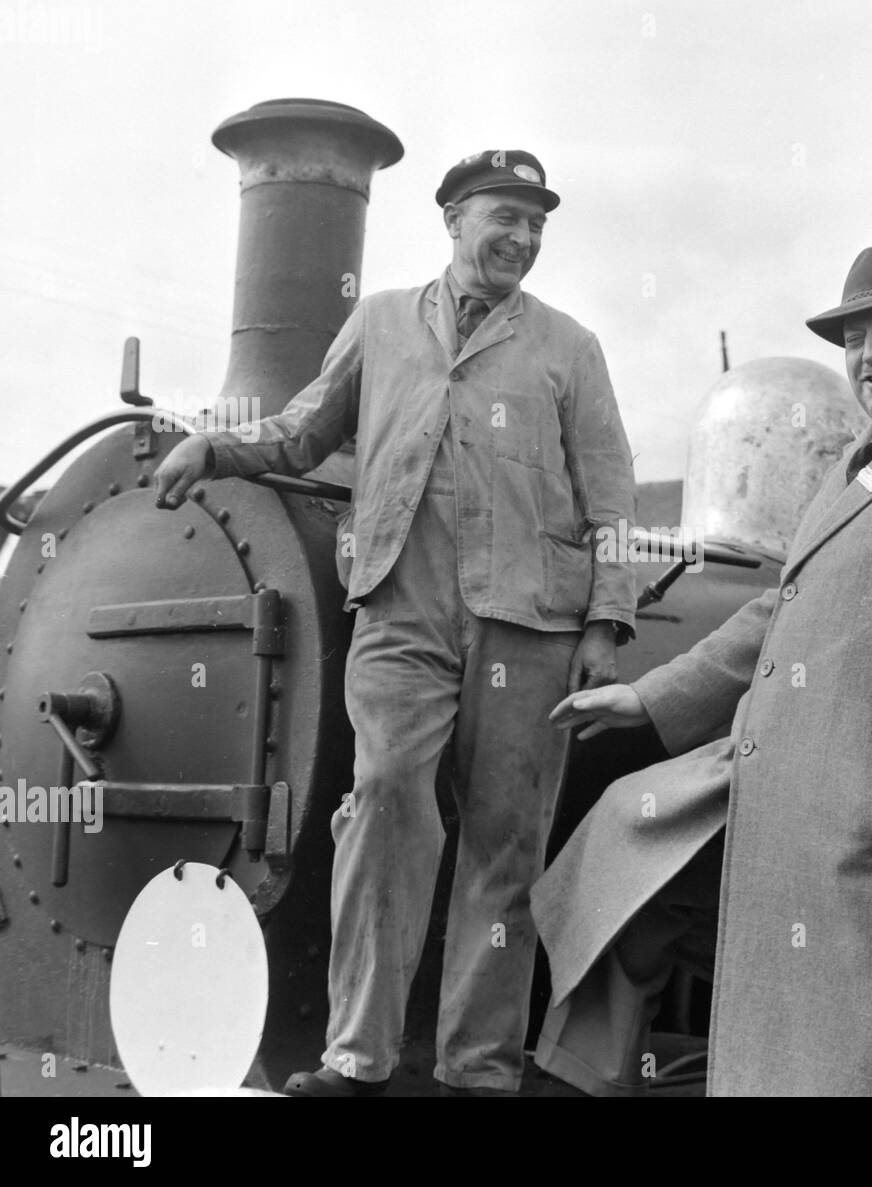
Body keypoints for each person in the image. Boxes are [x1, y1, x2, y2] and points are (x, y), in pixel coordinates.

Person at [532, 244, 872, 1096]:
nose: (868, 357)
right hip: (789, 825)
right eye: (853, 340)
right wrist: (649, 695)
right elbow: (775, 612)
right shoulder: (853, 469)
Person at [154, 149, 637, 1097]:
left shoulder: (570, 348)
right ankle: (357, 1058)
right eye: (506, 216)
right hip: (400, 614)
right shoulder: (377, 322)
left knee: (506, 846)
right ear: (453, 217)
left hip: (530, 625)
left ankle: (478, 1068)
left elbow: (611, 500)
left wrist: (607, 622)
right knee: (382, 807)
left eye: (538, 224)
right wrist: (211, 443)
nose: (524, 238)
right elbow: (301, 431)